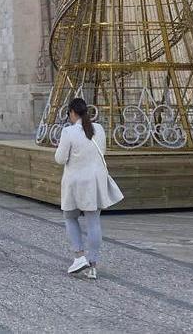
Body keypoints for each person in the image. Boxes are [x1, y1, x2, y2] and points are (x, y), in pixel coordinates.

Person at [54, 97, 123, 280]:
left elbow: (60, 159)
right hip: (96, 182)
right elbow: (103, 151)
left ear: (72, 113)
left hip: (75, 182)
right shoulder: (98, 129)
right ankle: (93, 265)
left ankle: (79, 257)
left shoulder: (68, 132)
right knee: (93, 222)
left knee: (70, 217)